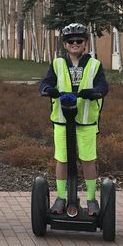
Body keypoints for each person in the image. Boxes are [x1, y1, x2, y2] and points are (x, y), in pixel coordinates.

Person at [38, 23, 109, 215]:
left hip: (86, 122)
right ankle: (61, 197)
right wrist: (47, 90)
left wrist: (95, 92)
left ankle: (92, 199)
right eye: (70, 41)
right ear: (65, 44)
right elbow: (46, 82)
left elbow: (103, 86)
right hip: (62, 120)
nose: (74, 43)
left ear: (85, 43)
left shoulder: (94, 65)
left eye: (79, 40)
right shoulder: (57, 64)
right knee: (61, 159)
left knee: (88, 159)